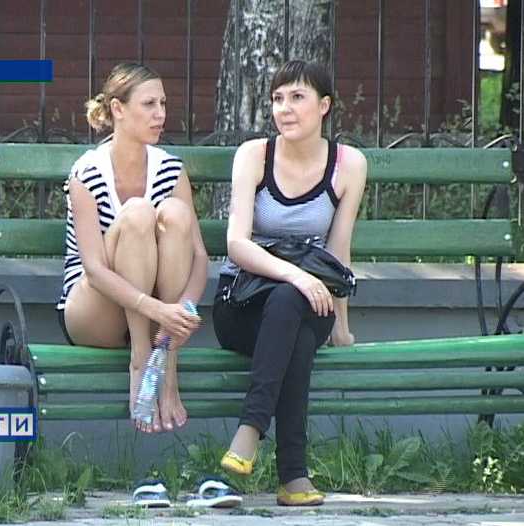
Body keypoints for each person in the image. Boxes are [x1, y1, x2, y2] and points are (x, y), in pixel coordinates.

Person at [213, 60, 367, 505]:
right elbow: (237, 244)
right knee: (292, 320)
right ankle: (293, 475)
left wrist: (341, 326)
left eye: (297, 97)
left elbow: (338, 252)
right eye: (278, 98)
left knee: (293, 312)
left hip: (311, 303)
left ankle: (250, 433)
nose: (285, 108)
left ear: (324, 106)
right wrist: (297, 275)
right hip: (242, 303)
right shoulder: (254, 155)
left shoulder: (348, 164)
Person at [56, 63, 208, 434]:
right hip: (96, 312)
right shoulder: (86, 173)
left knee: (174, 214)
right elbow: (94, 271)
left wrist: (183, 313)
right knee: (138, 213)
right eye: (149, 104)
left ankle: (167, 363)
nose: (160, 114)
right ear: (118, 109)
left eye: (163, 104)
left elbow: (200, 257)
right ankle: (142, 361)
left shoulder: (171, 169)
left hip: (159, 315)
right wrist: (157, 309)